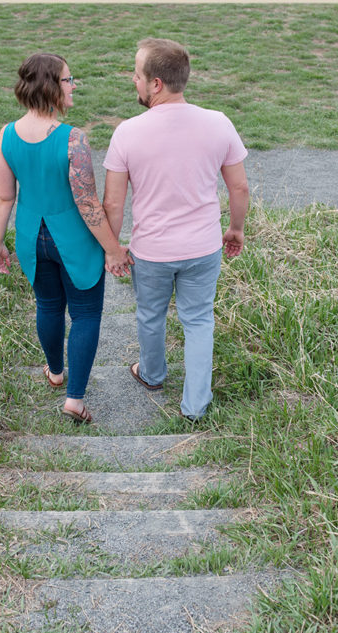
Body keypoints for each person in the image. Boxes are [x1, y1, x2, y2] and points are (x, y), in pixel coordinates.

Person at [102, 38, 250, 421]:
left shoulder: (128, 133)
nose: (133, 81)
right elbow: (239, 187)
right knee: (199, 320)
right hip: (203, 247)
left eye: (137, 75)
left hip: (151, 252)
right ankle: (196, 406)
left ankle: (151, 375)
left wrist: (113, 249)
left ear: (155, 84)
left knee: (150, 315)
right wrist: (235, 228)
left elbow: (114, 203)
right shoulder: (218, 122)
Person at [0, 52, 132, 425]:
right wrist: (113, 250)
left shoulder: (5, 135)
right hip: (72, 239)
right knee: (85, 313)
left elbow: (3, 196)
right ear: (53, 87)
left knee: (48, 306)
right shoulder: (73, 139)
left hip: (30, 239)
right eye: (69, 80)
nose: (73, 86)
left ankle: (55, 372)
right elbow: (87, 203)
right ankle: (75, 399)